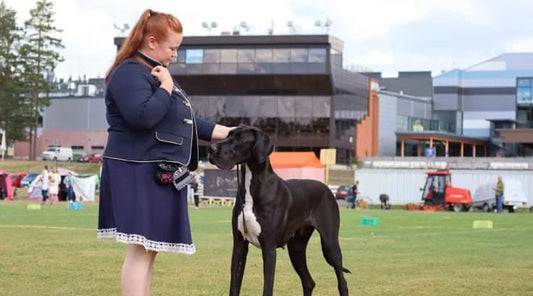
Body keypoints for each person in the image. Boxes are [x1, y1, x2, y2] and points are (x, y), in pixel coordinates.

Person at [96, 9, 233, 296]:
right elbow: (142, 117)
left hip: (155, 168)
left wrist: (231, 132)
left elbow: (187, 121)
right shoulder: (129, 73)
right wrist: (167, 86)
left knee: (150, 249)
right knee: (142, 246)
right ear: (152, 42)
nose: (175, 55)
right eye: (172, 48)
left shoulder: (154, 73)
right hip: (136, 167)